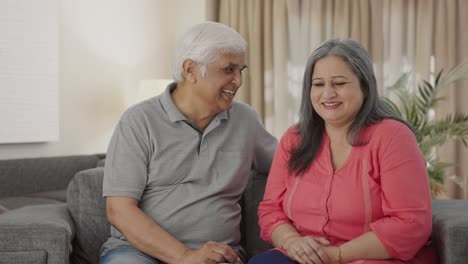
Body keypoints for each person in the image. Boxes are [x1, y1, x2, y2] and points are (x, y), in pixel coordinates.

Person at [100, 21, 277, 264]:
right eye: (228, 70)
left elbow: (292, 165)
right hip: (137, 253)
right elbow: (119, 211)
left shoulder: (245, 120)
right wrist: (184, 257)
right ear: (190, 70)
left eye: (240, 71)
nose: (238, 81)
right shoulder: (139, 121)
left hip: (218, 255)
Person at [249, 39, 436, 264]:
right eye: (318, 84)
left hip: (374, 257)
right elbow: (271, 210)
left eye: (339, 83)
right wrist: (292, 242)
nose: (327, 94)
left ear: (364, 87)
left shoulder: (393, 137)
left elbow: (411, 223)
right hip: (304, 256)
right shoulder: (294, 138)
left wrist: (335, 255)